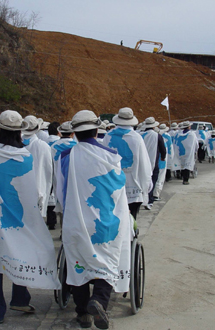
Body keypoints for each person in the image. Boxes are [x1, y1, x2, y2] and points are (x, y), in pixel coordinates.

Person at [0, 110, 59, 324]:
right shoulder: (25, 156)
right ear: (20, 132)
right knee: (21, 253)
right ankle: (19, 297)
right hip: (20, 217)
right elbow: (32, 189)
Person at [60, 110, 131, 329]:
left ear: (75, 133)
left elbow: (61, 193)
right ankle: (98, 300)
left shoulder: (66, 157)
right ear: (96, 129)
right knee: (107, 260)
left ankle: (82, 314)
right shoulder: (112, 156)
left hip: (76, 220)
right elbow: (117, 192)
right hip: (105, 221)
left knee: (78, 265)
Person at [102, 107, 151, 220]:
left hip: (113, 183)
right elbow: (144, 164)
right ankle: (132, 235)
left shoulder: (108, 136)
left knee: (116, 216)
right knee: (131, 217)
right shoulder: (136, 138)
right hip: (133, 185)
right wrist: (146, 184)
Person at [22, 115, 53, 220]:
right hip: (38, 192)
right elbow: (49, 171)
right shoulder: (43, 146)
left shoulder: (15, 145)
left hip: (19, 193)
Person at [49, 121, 76, 229]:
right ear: (73, 133)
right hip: (72, 180)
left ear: (60, 132)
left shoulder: (53, 146)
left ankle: (62, 231)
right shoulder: (76, 146)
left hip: (57, 179)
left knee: (60, 204)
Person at [140, 117, 166, 210]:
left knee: (141, 180)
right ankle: (149, 200)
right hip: (153, 162)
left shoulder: (139, 135)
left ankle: (141, 199)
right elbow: (163, 148)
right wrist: (163, 157)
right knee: (152, 180)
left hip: (141, 162)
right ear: (154, 126)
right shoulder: (157, 136)